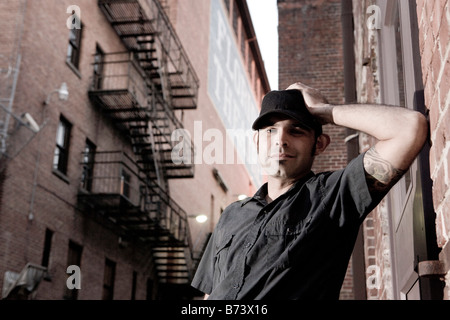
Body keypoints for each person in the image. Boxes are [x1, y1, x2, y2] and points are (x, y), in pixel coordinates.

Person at [191, 82, 428, 300]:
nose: (280, 140)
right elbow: (210, 294)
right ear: (256, 142)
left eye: (296, 131)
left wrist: (323, 110)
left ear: (320, 144)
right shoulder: (231, 214)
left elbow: (409, 128)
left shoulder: (333, 196)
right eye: (270, 130)